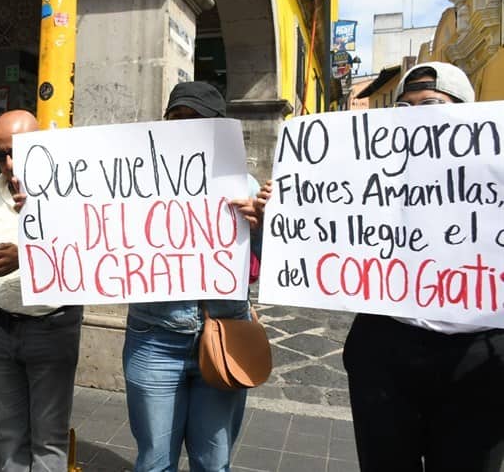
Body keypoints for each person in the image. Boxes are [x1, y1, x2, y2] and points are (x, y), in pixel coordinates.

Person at [254, 62, 504, 472]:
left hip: (476, 359)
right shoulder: (374, 173)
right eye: (403, 108)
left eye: (430, 105)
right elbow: (327, 220)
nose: (413, 118)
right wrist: (284, 210)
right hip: (385, 348)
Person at [122, 81, 261, 471]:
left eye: (197, 120)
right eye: (176, 119)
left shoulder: (244, 188)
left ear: (219, 127)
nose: (185, 128)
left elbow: (267, 266)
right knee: (153, 462)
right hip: (154, 338)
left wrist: (265, 226)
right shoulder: (133, 183)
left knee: (213, 463)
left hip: (224, 336)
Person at [0, 110, 83, 471]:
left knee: (48, 439)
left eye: (17, 151)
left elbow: (87, 252)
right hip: (0, 326)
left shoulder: (72, 187)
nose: (8, 163)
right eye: (0, 154)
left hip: (52, 325)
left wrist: (26, 256)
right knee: (9, 433)